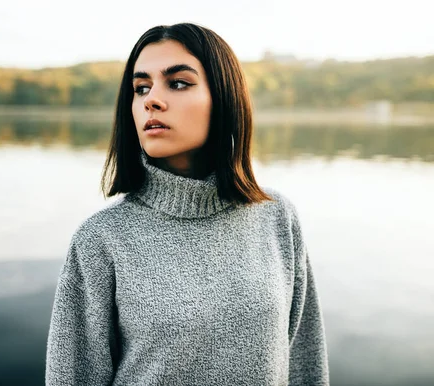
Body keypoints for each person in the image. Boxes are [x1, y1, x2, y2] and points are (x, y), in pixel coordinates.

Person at [45, 22, 329, 385]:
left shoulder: (277, 217)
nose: (151, 99)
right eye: (141, 87)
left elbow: (305, 364)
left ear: (224, 98)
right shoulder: (101, 240)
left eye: (178, 83)